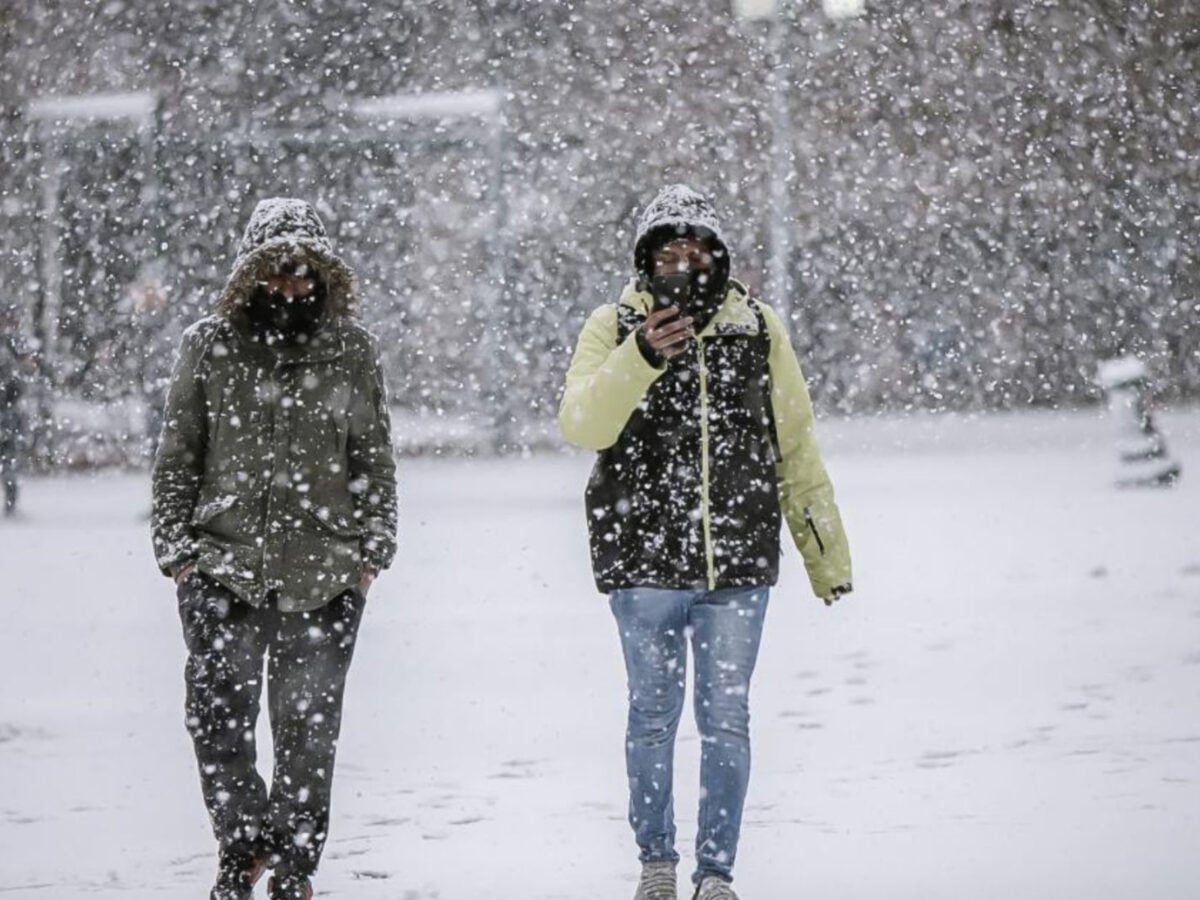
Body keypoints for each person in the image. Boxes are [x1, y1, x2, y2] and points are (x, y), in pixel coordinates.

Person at [559, 185, 852, 900]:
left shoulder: (757, 327)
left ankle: (716, 873)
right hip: (642, 562)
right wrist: (640, 355)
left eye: (695, 252)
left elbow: (795, 444)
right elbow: (582, 424)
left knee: (726, 723)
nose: (683, 265)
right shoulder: (613, 325)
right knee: (652, 719)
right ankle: (656, 865)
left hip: (736, 563)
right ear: (645, 261)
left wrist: (825, 557)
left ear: (718, 257)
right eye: (668, 253)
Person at [152, 198, 397, 900]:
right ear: (249, 274)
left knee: (308, 732)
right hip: (220, 567)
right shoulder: (209, 345)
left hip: (326, 571)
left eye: (303, 272)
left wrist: (372, 552)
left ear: (323, 276)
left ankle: (294, 865)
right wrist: (179, 555)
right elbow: (179, 454)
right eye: (276, 271)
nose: (290, 286)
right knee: (216, 724)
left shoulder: (351, 350)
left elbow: (372, 456)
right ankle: (241, 846)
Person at [0, 308, 31, 517]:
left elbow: (24, 374)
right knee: (9, 460)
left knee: (10, 460)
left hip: (10, 412)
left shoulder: (14, 344)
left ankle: (11, 503)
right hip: (9, 411)